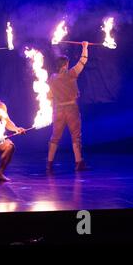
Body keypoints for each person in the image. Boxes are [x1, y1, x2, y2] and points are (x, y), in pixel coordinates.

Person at [46, 41, 89, 172]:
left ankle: (49, 164)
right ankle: (78, 163)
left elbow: (49, 96)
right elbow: (83, 61)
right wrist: (85, 47)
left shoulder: (52, 78)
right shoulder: (71, 74)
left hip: (58, 111)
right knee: (76, 136)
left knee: (55, 137)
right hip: (71, 109)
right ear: (65, 65)